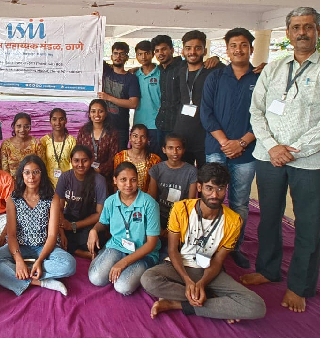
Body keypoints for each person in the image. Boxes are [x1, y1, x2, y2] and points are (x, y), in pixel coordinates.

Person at [242, 7, 320, 313]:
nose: (302, 32)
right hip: (269, 156)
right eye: (296, 27)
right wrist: (272, 146)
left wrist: (294, 150)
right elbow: (256, 111)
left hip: (311, 161)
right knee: (268, 217)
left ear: (319, 30)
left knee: (309, 223)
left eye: (308, 26)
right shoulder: (274, 68)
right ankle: (268, 269)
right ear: (288, 32)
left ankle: (300, 286)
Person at [141, 163, 266, 323]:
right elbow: (172, 250)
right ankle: (214, 301)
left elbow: (218, 261)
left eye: (220, 189)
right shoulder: (181, 209)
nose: (215, 194)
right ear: (199, 187)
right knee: (148, 280)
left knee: (256, 306)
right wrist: (187, 281)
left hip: (209, 271)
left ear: (226, 189)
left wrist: (202, 283)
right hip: (180, 267)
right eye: (209, 188)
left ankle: (178, 304)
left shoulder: (234, 221)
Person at [200, 27, 259, 269]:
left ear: (251, 49)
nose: (238, 49)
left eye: (243, 45)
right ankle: (206, 244)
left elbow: (265, 117)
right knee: (210, 197)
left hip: (247, 152)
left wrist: (242, 142)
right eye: (233, 45)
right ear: (227, 49)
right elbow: (206, 112)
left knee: (240, 203)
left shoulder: (260, 78)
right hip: (217, 148)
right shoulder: (215, 77)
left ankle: (234, 246)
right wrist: (226, 143)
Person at [0, 155, 76, 296]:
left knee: (69, 265)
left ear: (42, 174)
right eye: (27, 172)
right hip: (19, 247)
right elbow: (11, 235)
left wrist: (40, 260)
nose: (31, 177)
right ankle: (40, 281)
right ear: (22, 175)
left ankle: (26, 270)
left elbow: (52, 235)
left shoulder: (52, 198)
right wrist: (19, 261)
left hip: (44, 247)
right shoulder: (13, 198)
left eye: (36, 172)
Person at [87, 162, 160, 295]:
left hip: (143, 253)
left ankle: (111, 259)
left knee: (122, 286)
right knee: (96, 278)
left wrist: (123, 263)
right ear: (115, 180)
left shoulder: (149, 204)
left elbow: (151, 244)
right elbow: (103, 222)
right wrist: (94, 230)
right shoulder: (110, 201)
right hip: (117, 246)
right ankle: (106, 255)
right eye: (123, 180)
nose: (128, 184)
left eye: (133, 180)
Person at [154, 35, 220, 158]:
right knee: (170, 164)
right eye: (157, 51)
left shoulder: (182, 66)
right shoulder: (160, 69)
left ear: (173, 50)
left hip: (191, 128)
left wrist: (215, 59)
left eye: (164, 49)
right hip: (166, 124)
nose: (160, 53)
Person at [173, 30, 224, 168]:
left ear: (205, 51)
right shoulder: (180, 70)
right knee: (184, 176)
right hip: (182, 135)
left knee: (206, 176)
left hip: (206, 137)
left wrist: (217, 59)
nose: (192, 52)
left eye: (198, 48)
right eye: (188, 48)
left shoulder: (214, 70)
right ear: (183, 51)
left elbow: (238, 68)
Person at [56, 145, 107, 259]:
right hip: (69, 218)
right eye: (76, 161)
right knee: (53, 233)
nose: (80, 165)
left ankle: (74, 249)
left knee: (97, 238)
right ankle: (81, 252)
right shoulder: (65, 177)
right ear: (71, 161)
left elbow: (100, 214)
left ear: (91, 161)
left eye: (84, 161)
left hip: (89, 221)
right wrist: (62, 231)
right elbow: (58, 208)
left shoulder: (99, 181)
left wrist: (74, 226)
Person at [147, 134, 197, 234]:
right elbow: (152, 200)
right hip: (159, 216)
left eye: (178, 148)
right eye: (170, 148)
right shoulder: (156, 170)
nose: (174, 152)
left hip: (181, 216)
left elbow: (190, 202)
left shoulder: (191, 171)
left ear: (183, 150)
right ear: (164, 149)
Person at [98, 41, 140, 151]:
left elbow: (133, 103)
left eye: (122, 54)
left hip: (120, 128)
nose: (118, 56)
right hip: (102, 126)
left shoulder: (131, 78)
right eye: (115, 53)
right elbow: (91, 55)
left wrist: (108, 98)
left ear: (127, 57)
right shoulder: (105, 71)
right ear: (111, 56)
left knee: (119, 158)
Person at [76, 99, 119, 193]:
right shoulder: (83, 131)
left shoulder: (112, 133)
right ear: (89, 114)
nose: (97, 115)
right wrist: (86, 168)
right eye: (93, 111)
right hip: (85, 174)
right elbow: (78, 152)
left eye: (100, 111)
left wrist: (99, 169)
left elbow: (114, 158)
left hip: (105, 177)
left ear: (106, 113)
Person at [133, 40, 161, 156]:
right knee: (140, 157)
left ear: (152, 54)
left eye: (146, 53)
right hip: (139, 123)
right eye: (140, 54)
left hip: (157, 124)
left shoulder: (161, 73)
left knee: (156, 157)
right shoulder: (134, 75)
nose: (143, 57)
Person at [114, 124, 161, 192]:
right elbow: (116, 183)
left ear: (147, 139)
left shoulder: (154, 160)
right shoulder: (120, 156)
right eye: (135, 136)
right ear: (130, 137)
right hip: (123, 196)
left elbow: (153, 188)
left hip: (145, 198)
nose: (138, 140)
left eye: (143, 137)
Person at [40, 108, 77, 188]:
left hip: (67, 181)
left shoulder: (71, 140)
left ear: (66, 121)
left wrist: (71, 180)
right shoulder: (44, 141)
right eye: (54, 119)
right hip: (48, 182)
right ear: (50, 121)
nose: (58, 122)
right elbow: (42, 162)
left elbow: (73, 163)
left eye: (61, 119)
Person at [0, 112, 45, 177]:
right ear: (14, 127)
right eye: (19, 126)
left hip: (32, 181)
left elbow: (41, 168)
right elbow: (4, 172)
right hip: (11, 182)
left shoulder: (37, 143)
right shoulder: (6, 145)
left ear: (30, 127)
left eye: (26, 126)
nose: (22, 130)